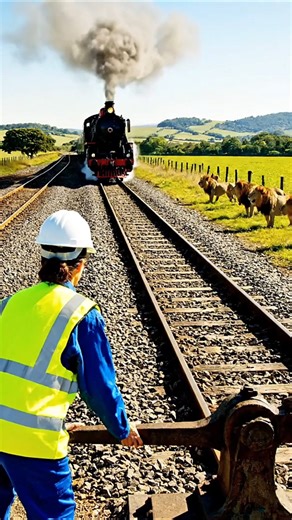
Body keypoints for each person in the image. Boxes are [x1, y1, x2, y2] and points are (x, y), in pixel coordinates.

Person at [0, 209, 143, 520]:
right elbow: (98, 387)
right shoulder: (82, 314)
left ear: (41, 257)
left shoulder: (9, 304)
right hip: (33, 443)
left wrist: (59, 423)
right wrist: (121, 428)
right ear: (81, 263)